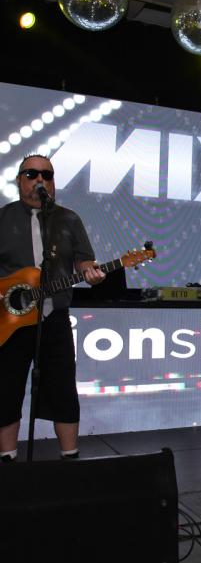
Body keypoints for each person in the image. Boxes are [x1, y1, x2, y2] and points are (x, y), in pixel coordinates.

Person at [0, 154, 105, 463]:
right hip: (9, 322)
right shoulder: (3, 218)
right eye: (32, 174)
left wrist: (91, 272)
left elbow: (84, 260)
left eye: (47, 175)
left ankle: (70, 459)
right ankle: (7, 460)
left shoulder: (68, 219)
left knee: (62, 390)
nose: (40, 180)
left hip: (54, 318)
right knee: (6, 390)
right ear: (19, 180)